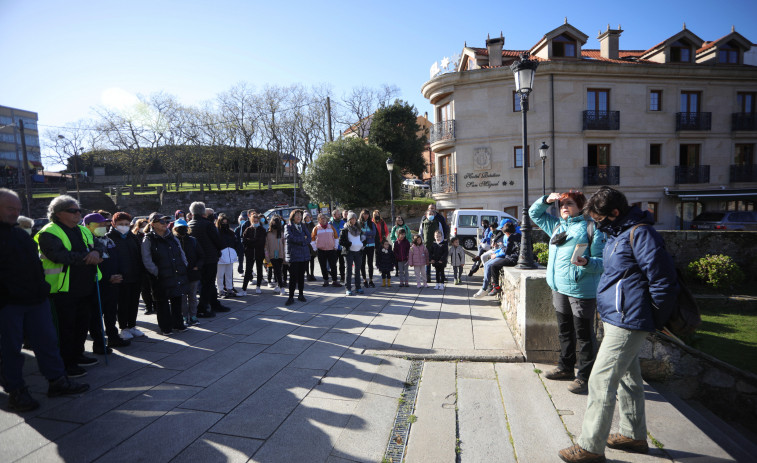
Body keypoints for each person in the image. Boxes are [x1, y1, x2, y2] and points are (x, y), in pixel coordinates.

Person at [558, 187, 678, 463]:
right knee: (629, 378)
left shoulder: (641, 233)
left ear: (614, 213)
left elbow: (662, 281)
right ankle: (633, 435)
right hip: (617, 316)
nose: (597, 223)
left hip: (629, 319)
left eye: (599, 218)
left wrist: (653, 319)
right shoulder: (617, 233)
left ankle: (590, 446)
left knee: (600, 380)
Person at [0, 189, 89, 412]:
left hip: (36, 300)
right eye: (11, 208)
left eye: (18, 209)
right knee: (10, 349)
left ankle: (57, 381)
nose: (16, 213)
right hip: (8, 304)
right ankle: (17, 391)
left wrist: (41, 290)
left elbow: (36, 265)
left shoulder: (20, 234)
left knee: (47, 342)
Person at [530, 191, 606, 395]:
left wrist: (588, 262)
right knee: (565, 331)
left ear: (581, 206)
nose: (563, 207)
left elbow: (604, 262)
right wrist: (546, 199)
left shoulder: (592, 229)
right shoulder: (556, 225)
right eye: (561, 204)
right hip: (558, 287)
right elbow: (534, 214)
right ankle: (565, 367)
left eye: (569, 204)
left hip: (581, 290)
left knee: (584, 334)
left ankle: (585, 377)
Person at [36, 195, 103, 377]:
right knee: (66, 328)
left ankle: (78, 354)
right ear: (58, 214)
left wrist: (96, 252)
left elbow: (98, 245)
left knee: (82, 324)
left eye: (79, 210)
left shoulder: (83, 230)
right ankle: (67, 363)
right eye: (72, 211)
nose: (77, 214)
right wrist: (88, 257)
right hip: (62, 290)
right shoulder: (49, 232)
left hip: (85, 286)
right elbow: (59, 256)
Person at [83, 212, 129, 351]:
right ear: (89, 226)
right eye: (100, 224)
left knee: (111, 312)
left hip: (113, 283)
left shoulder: (109, 240)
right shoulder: (87, 242)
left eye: (105, 224)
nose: (104, 226)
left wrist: (119, 274)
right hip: (98, 283)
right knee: (96, 315)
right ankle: (99, 343)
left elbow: (117, 258)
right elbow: (95, 264)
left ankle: (113, 337)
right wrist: (108, 276)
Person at [141, 212, 189, 336]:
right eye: (162, 221)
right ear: (153, 224)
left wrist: (184, 265)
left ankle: (178, 323)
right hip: (160, 276)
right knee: (162, 302)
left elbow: (181, 252)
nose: (165, 224)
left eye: (167, 221)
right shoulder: (148, 239)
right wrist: (156, 272)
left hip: (175, 273)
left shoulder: (172, 237)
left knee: (177, 299)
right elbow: (146, 259)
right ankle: (165, 327)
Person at [108, 212, 145, 341]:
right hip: (120, 277)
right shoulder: (109, 238)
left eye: (126, 224)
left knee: (133, 302)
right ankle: (124, 328)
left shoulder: (132, 237)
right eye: (120, 224)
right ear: (114, 224)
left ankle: (132, 325)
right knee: (122, 304)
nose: (124, 227)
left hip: (135, 275)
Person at [188, 202, 227, 316]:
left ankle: (213, 304)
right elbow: (218, 241)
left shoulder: (189, 224)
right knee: (208, 284)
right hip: (209, 258)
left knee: (204, 284)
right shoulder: (207, 224)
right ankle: (202, 308)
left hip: (197, 259)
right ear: (203, 212)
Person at [473, 222, 520, 298]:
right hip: (505, 255)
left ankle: (487, 287)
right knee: (487, 263)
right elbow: (503, 248)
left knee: (491, 265)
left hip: (508, 257)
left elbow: (506, 251)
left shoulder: (510, 237)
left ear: (507, 231)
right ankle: (487, 286)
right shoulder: (508, 236)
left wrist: (497, 253)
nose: (501, 230)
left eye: (502, 229)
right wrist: (496, 252)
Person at [173, 218, 204, 326]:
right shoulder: (173, 241)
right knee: (182, 297)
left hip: (193, 273)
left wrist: (197, 266)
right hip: (179, 273)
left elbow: (201, 256)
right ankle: (184, 316)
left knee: (192, 296)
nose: (182, 230)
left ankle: (193, 316)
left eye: (184, 228)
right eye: (180, 228)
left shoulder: (193, 240)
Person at [284, 209, 310, 305]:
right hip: (294, 255)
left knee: (301, 276)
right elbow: (290, 238)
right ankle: (291, 297)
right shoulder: (288, 226)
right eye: (297, 215)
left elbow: (309, 237)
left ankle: (301, 294)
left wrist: (302, 240)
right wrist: (303, 239)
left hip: (303, 255)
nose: (299, 217)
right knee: (293, 277)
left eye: (300, 215)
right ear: (292, 217)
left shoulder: (303, 226)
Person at [132, 218, 156, 315]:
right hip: (141, 267)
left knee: (153, 287)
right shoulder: (135, 237)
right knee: (145, 289)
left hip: (151, 265)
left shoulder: (151, 237)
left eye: (146, 225)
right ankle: (148, 306)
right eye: (142, 226)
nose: (144, 227)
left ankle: (155, 305)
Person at [312, 213, 341, 287]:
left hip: (331, 250)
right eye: (321, 218)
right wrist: (315, 248)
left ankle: (334, 281)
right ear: (319, 220)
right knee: (323, 266)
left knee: (333, 266)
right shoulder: (316, 228)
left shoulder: (331, 227)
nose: (323, 219)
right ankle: (326, 280)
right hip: (321, 250)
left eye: (324, 218)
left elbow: (336, 237)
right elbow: (312, 239)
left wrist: (335, 246)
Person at [339, 211, 364, 296]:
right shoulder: (345, 229)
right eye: (352, 218)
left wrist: (362, 244)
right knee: (349, 270)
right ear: (349, 219)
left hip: (358, 251)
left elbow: (362, 238)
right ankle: (348, 288)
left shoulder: (358, 228)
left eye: (355, 218)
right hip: (349, 252)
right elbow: (341, 241)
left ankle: (358, 287)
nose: (353, 220)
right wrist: (349, 244)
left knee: (357, 270)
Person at [419, 204, 446, 283]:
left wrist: (442, 241)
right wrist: (421, 242)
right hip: (426, 245)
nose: (431, 215)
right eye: (429, 214)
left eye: (432, 214)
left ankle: (440, 275)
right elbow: (420, 233)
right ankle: (428, 276)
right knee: (428, 261)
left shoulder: (438, 222)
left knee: (437, 260)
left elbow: (442, 232)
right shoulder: (423, 222)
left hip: (436, 245)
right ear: (426, 215)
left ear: (434, 214)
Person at [215, 213, 240, 297]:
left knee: (229, 274)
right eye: (223, 223)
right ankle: (220, 289)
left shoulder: (230, 232)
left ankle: (229, 288)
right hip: (221, 256)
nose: (225, 225)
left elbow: (235, 242)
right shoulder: (217, 232)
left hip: (230, 255)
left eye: (226, 223)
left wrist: (234, 251)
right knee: (220, 275)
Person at [242, 213, 267, 294]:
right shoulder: (248, 229)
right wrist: (254, 240)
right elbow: (244, 241)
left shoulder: (262, 230)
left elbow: (261, 242)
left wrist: (251, 241)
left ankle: (258, 286)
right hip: (249, 253)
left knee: (259, 270)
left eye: (257, 221)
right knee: (248, 271)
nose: (255, 222)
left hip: (259, 253)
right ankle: (244, 289)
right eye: (254, 221)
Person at [264, 215, 286, 294]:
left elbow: (284, 245)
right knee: (277, 270)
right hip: (272, 255)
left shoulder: (281, 233)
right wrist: (267, 257)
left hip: (280, 255)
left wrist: (284, 255)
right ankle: (282, 287)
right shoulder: (268, 234)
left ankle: (278, 286)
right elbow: (266, 246)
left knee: (278, 271)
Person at [358, 209, 377, 288]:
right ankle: (364, 279)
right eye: (364, 214)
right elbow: (358, 233)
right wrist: (368, 235)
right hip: (362, 246)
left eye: (367, 214)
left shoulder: (372, 223)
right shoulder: (359, 223)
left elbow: (374, 233)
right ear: (361, 215)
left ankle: (371, 280)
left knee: (370, 263)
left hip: (371, 245)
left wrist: (365, 233)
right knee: (362, 263)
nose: (366, 215)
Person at [329, 209, 346, 283]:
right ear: (334, 215)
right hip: (333, 247)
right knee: (333, 264)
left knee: (342, 263)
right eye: (338, 214)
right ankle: (334, 278)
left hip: (342, 246)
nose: (340, 215)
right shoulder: (330, 224)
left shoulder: (343, 222)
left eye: (340, 214)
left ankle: (342, 277)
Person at [302, 212, 317, 281]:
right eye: (306, 218)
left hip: (312, 244)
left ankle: (312, 274)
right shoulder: (303, 226)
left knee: (312, 260)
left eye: (308, 217)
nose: (308, 219)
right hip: (306, 245)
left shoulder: (313, 225)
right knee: (306, 261)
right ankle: (308, 274)